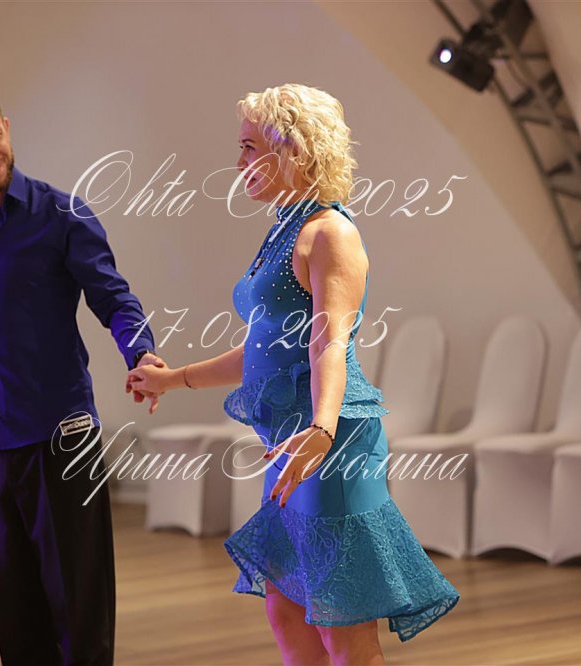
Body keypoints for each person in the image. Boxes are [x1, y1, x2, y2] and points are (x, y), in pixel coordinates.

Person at [126, 84, 460, 665]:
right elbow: (265, 350)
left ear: (295, 150)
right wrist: (172, 378)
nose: (239, 164)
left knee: (342, 622)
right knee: (285, 608)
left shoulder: (330, 232)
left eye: (250, 148)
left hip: (330, 440)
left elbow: (329, 340)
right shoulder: (287, 228)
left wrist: (322, 429)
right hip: (293, 442)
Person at [0, 87, 163, 666]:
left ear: (6, 126)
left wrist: (140, 354)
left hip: (63, 438)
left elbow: (113, 297)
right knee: (15, 612)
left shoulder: (62, 215)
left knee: (80, 611)